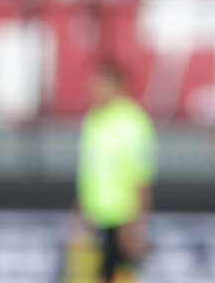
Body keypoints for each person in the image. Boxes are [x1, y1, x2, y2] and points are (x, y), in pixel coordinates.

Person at [75, 62, 156, 283]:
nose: (94, 88)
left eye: (101, 83)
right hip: (97, 216)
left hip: (122, 218)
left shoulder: (131, 121)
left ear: (118, 85)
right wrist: (80, 211)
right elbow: (88, 171)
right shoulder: (93, 118)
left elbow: (141, 176)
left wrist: (135, 222)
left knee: (124, 275)